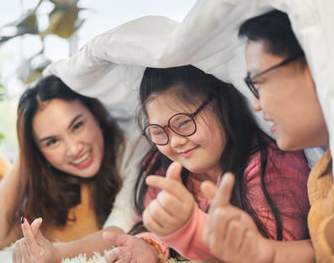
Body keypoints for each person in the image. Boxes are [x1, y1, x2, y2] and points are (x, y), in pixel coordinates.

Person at [102, 65, 311, 262]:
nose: (174, 142)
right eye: (158, 132)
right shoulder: (161, 168)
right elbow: (156, 226)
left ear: (221, 105)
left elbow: (269, 250)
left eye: (183, 123)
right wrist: (150, 245)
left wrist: (188, 227)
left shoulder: (270, 164)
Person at [201, 9, 332, 263]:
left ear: (316, 62)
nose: (256, 105)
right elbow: (321, 248)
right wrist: (264, 253)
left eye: (258, 82)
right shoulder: (322, 173)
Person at [0, 75, 149, 261]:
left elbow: (118, 231)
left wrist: (57, 253)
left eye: (77, 126)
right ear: (39, 151)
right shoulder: (46, 174)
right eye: (52, 142)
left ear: (95, 115)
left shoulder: (134, 145)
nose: (74, 150)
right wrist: (24, 157)